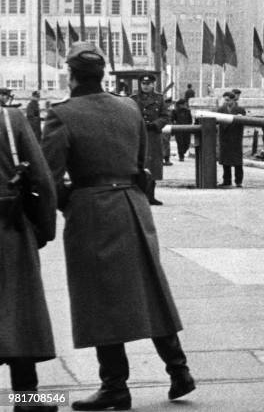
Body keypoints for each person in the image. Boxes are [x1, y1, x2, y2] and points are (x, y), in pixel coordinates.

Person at [42, 42, 195, 410]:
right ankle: (179, 371)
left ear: (72, 75)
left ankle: (115, 385)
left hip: (92, 209)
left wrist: (64, 203)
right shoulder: (128, 107)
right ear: (103, 74)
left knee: (99, 299)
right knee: (151, 290)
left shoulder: (63, 114)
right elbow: (142, 161)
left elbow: (50, 176)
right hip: (133, 205)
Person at [1, 105, 58, 412]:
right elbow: (43, 181)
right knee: (19, 310)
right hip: (8, 227)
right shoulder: (11, 120)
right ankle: (26, 398)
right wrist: (44, 230)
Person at [131, 74, 169, 205]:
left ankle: (151, 196)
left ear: (153, 84)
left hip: (153, 135)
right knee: (138, 164)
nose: (145, 86)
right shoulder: (133, 99)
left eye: (148, 84)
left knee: (153, 165)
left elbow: (165, 116)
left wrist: (155, 124)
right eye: (143, 84)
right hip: (138, 135)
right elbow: (128, 115)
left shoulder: (159, 99)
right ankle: (138, 196)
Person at [218, 91, 246, 187]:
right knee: (225, 161)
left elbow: (243, 121)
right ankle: (227, 180)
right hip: (225, 137)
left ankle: (238, 181)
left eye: (228, 100)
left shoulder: (240, 110)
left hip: (235, 137)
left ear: (233, 100)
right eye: (225, 100)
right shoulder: (221, 109)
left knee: (237, 161)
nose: (226, 102)